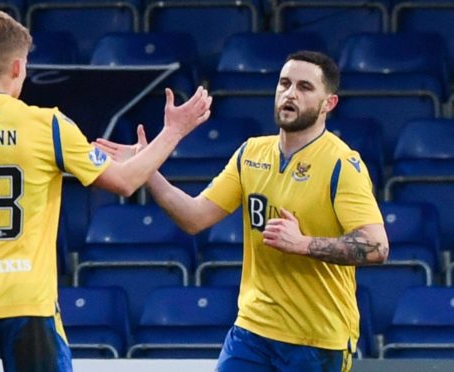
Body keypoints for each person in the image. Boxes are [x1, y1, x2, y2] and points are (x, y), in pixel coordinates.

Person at [0, 7, 211, 372]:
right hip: (29, 304)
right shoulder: (47, 125)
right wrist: (172, 132)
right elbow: (126, 180)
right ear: (18, 67)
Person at [95, 51, 389, 371]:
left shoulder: (342, 164)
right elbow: (195, 217)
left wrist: (303, 244)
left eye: (305, 87)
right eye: (284, 83)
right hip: (253, 330)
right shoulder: (251, 152)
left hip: (317, 340)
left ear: (328, 104)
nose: (290, 93)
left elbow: (377, 246)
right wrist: (147, 169)